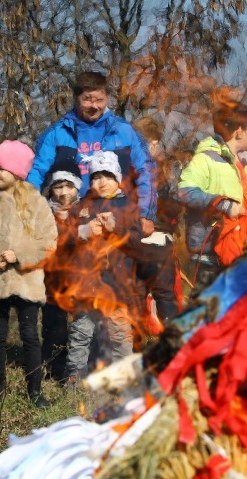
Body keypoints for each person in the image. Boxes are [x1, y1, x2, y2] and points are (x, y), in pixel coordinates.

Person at [0, 140, 57, 407]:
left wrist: (20, 254)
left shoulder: (37, 203)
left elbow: (48, 241)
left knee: (30, 334)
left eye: (1, 169)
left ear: (16, 171)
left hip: (27, 282)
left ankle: (35, 391)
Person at [25, 71, 157, 237]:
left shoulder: (124, 131)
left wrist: (146, 214)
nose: (94, 106)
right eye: (87, 99)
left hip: (117, 220)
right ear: (76, 98)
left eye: (99, 100)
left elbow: (146, 170)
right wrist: (27, 213)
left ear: (107, 99)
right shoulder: (57, 133)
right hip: (71, 223)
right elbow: (36, 174)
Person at [60, 151, 146, 384]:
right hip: (86, 285)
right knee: (81, 334)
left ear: (118, 178)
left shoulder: (128, 206)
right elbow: (63, 240)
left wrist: (117, 228)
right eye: (97, 176)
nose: (102, 182)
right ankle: (74, 381)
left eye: (108, 176)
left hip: (117, 284)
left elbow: (138, 242)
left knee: (119, 336)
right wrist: (83, 232)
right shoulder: (81, 208)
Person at [177, 100, 247, 292]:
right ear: (239, 131)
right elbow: (184, 191)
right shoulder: (206, 159)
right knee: (208, 316)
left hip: (237, 253)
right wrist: (223, 204)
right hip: (210, 255)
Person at [131, 117, 182, 324]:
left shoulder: (125, 168)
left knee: (134, 299)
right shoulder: (155, 169)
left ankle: (132, 347)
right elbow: (169, 205)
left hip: (133, 242)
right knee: (165, 297)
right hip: (157, 240)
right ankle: (173, 346)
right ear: (153, 142)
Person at [41, 160, 84, 384]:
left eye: (69, 186)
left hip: (82, 280)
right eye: (58, 186)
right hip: (52, 281)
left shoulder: (87, 211)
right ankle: (54, 370)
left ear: (78, 187)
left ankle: (79, 371)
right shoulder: (44, 213)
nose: (64, 192)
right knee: (54, 328)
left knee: (82, 328)